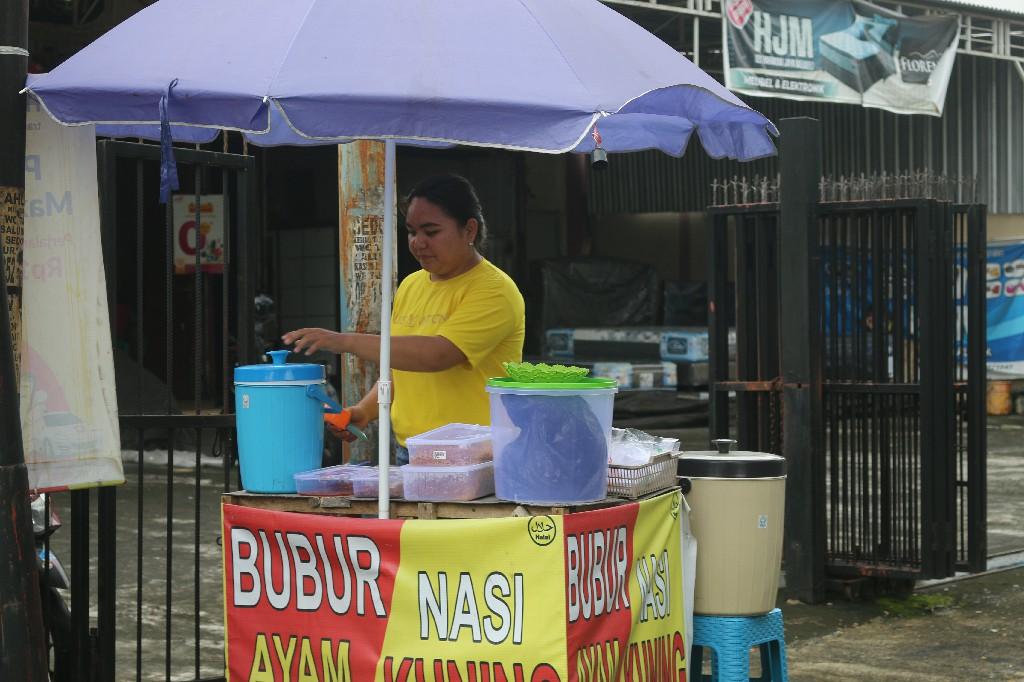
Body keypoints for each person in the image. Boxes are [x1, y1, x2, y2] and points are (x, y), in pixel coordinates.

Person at [283, 174, 525, 464]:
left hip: (475, 455)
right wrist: (364, 411)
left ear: (469, 230)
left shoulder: (495, 291)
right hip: (409, 452)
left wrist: (345, 340)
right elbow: (401, 368)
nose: (418, 243)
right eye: (411, 231)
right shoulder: (411, 285)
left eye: (431, 231)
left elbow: (437, 355)